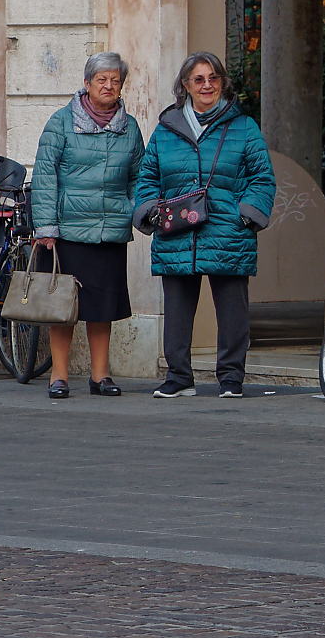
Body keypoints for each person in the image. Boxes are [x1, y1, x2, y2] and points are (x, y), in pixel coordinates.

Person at [134, 52, 275, 399]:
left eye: (213, 78)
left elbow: (262, 178)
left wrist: (246, 215)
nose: (207, 85)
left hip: (228, 231)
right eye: (198, 79)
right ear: (185, 85)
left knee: (232, 312)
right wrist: (151, 210)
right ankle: (178, 377)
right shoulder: (166, 130)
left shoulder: (243, 127)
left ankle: (231, 379)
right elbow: (147, 177)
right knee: (178, 310)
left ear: (222, 83)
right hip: (177, 230)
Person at [29, 53, 146, 400]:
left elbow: (139, 176)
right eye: (101, 80)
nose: (109, 86)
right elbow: (45, 176)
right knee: (62, 307)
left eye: (115, 80)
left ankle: (100, 375)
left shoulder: (130, 127)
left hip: (110, 229)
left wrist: (132, 210)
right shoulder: (61, 122)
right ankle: (59, 375)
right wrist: (46, 226)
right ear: (87, 83)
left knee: (103, 307)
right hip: (66, 232)